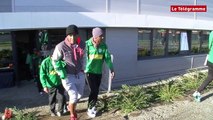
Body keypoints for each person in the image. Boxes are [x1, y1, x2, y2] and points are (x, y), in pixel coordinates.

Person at [52, 24, 85, 120]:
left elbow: (85, 57)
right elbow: (54, 60)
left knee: (80, 95)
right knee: (74, 96)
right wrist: (60, 72)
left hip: (79, 74)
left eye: (74, 35)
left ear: (77, 35)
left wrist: (84, 69)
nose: (72, 37)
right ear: (67, 36)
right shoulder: (61, 46)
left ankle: (69, 106)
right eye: (70, 35)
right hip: (67, 75)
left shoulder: (83, 44)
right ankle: (72, 115)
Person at [84, 27, 115, 118]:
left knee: (96, 91)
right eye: (101, 36)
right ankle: (89, 109)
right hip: (89, 72)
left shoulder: (104, 46)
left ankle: (92, 106)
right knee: (93, 90)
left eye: (102, 36)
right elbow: (84, 60)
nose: (102, 38)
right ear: (95, 36)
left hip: (98, 72)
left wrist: (112, 69)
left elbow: (108, 58)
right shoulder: (87, 45)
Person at [39, 49, 65, 117]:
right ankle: (52, 111)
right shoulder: (45, 62)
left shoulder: (59, 60)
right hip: (50, 85)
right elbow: (42, 75)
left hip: (60, 83)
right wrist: (44, 86)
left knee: (61, 97)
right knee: (52, 99)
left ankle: (60, 110)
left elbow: (64, 68)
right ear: (51, 55)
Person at [193, 30, 213, 102]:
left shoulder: (212, 33)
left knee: (210, 77)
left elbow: (209, 45)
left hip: (211, 59)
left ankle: (197, 92)